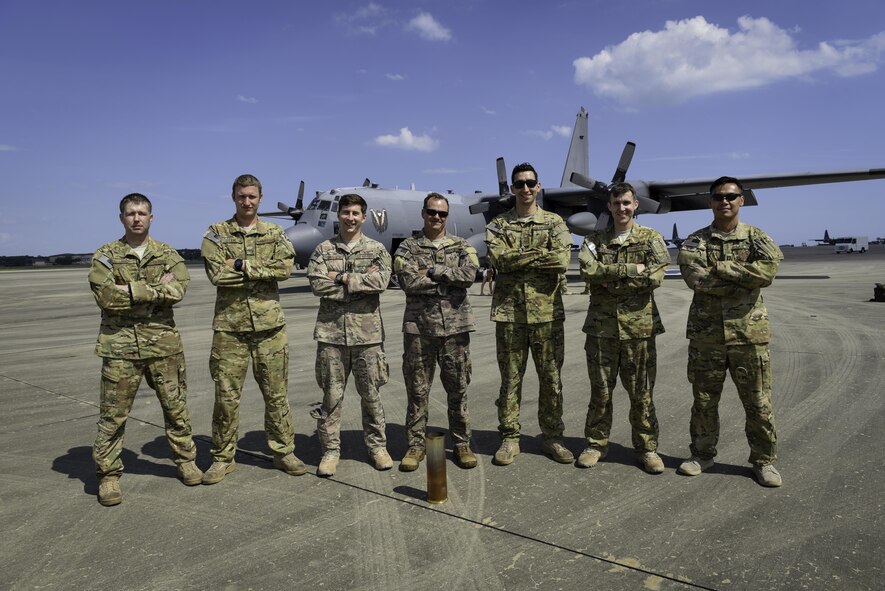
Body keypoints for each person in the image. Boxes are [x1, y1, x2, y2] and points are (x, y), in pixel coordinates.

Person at [89, 193, 201, 506]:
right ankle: (108, 475)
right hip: (120, 349)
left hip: (163, 346)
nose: (136, 218)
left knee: (176, 408)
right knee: (113, 415)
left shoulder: (167, 253)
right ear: (121, 218)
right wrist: (154, 291)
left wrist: (130, 289)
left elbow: (178, 289)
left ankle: (186, 461)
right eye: (130, 213)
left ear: (151, 217)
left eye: (142, 213)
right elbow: (106, 297)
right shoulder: (106, 256)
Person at [677, 176, 784, 487]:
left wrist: (723, 269)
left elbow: (767, 273)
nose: (725, 201)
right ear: (710, 202)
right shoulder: (695, 241)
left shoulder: (757, 237)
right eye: (718, 196)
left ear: (742, 200)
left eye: (731, 196)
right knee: (704, 399)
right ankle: (702, 454)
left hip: (749, 336)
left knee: (758, 401)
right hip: (706, 335)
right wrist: (743, 277)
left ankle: (764, 461)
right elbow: (695, 279)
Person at [200, 174, 306, 484]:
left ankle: (283, 451)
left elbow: (285, 269)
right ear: (233, 197)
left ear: (260, 198)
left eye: (252, 196)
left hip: (270, 329)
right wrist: (261, 270)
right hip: (230, 330)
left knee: (277, 395)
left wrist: (241, 265)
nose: (247, 201)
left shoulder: (274, 231)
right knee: (226, 396)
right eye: (241, 196)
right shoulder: (217, 233)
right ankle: (222, 457)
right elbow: (217, 275)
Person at [576, 182, 670, 474]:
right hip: (601, 330)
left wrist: (608, 278)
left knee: (641, 392)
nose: (622, 208)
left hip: (639, 329)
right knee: (600, 392)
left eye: (627, 203)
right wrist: (632, 270)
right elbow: (588, 272)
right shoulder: (594, 239)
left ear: (635, 204)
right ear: (609, 206)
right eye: (616, 203)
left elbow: (655, 276)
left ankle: (647, 448)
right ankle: (595, 444)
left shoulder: (651, 237)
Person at [485, 162, 574, 465]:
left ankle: (552, 437)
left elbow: (561, 261)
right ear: (512, 188)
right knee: (510, 380)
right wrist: (539, 254)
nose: (524, 188)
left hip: (547, 315)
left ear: (538, 186)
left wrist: (519, 257)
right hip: (510, 315)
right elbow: (499, 260)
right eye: (519, 184)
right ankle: (510, 438)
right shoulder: (498, 224)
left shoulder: (555, 222)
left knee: (551, 380)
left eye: (530, 183)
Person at [307, 193, 393, 477]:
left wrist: (341, 278)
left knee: (371, 395)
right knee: (331, 397)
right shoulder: (323, 249)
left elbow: (381, 281)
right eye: (346, 212)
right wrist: (359, 283)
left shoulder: (377, 249)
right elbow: (318, 285)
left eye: (356, 213)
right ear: (339, 215)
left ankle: (377, 448)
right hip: (331, 335)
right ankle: (330, 451)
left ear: (364, 217)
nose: (350, 218)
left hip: (367, 336)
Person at [393, 193, 479, 471]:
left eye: (442, 214)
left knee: (458, 388)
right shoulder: (407, 247)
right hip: (419, 330)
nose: (437, 218)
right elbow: (406, 280)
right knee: (418, 391)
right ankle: (416, 445)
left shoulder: (461, 245)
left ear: (447, 216)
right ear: (423, 213)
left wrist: (431, 271)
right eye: (432, 212)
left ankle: (462, 443)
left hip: (456, 329)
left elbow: (470, 275)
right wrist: (447, 282)